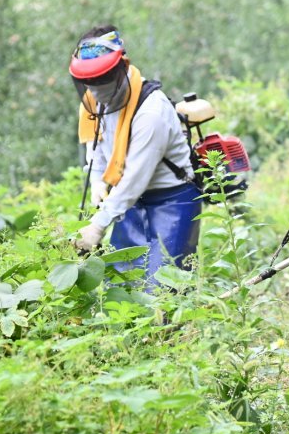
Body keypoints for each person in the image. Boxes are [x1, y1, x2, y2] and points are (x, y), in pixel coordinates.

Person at [68, 25, 201, 283]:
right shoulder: (94, 104)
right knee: (123, 284)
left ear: (121, 67)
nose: (95, 87)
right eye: (89, 80)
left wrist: (97, 225)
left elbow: (133, 180)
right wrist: (97, 179)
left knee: (165, 287)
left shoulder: (151, 113)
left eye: (102, 78)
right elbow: (97, 146)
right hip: (128, 203)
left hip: (171, 199)